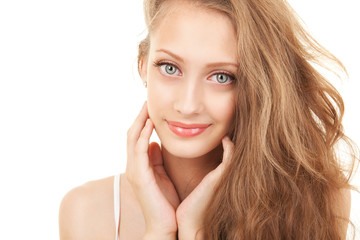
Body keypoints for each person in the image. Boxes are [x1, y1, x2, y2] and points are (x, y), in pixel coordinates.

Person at [59, 0, 358, 239]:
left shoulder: (317, 202)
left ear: (255, 87)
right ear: (142, 68)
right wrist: (159, 230)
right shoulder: (87, 212)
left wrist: (194, 233)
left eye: (221, 76)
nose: (188, 105)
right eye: (170, 68)